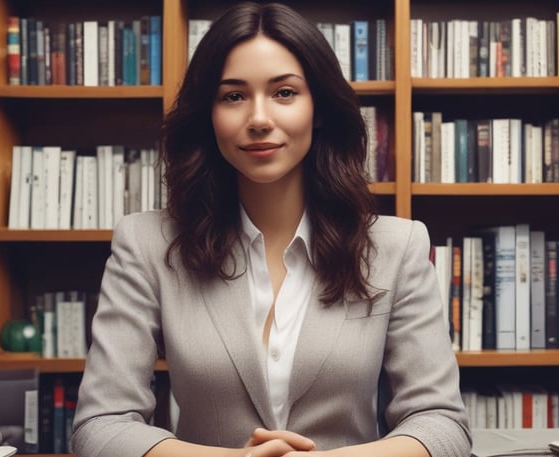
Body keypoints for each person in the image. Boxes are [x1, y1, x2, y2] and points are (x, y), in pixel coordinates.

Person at [71, 2, 471, 457]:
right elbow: (100, 427)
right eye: (233, 96)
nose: (259, 119)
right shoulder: (147, 245)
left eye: (284, 93)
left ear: (318, 109)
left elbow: (442, 426)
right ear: (209, 114)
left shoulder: (397, 247)